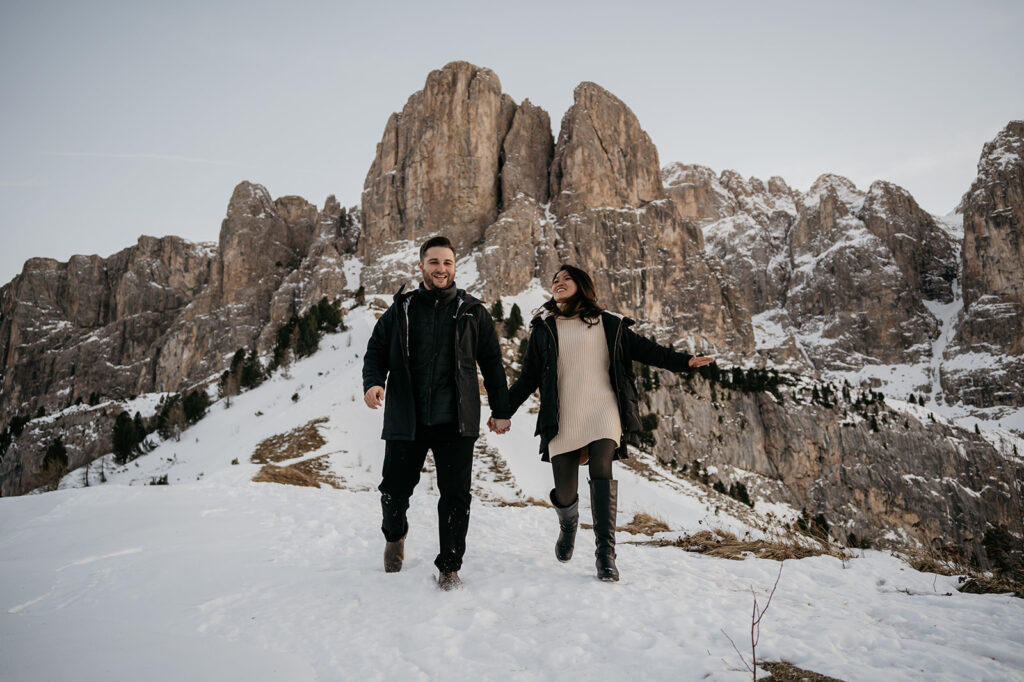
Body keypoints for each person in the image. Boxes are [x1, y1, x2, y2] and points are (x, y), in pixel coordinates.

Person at [507, 265, 714, 582]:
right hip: (563, 415)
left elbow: (647, 351)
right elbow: (527, 380)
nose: (559, 282)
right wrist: (502, 411)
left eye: (566, 278)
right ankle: (568, 522)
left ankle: (606, 555)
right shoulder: (544, 329)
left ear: (582, 286)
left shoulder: (609, 324)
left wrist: (685, 362)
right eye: (555, 279)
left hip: (603, 409)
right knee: (565, 489)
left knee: (602, 464)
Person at [362, 236, 512, 591]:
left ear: (455, 267)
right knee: (393, 493)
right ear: (421, 266)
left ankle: (449, 566)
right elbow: (376, 350)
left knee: (456, 496)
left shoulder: (473, 311)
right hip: (406, 419)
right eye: (434, 262)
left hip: (455, 422)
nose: (440, 269)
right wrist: (372, 383)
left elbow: (492, 363)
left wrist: (501, 409)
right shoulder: (401, 308)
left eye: (447, 262)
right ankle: (395, 535)